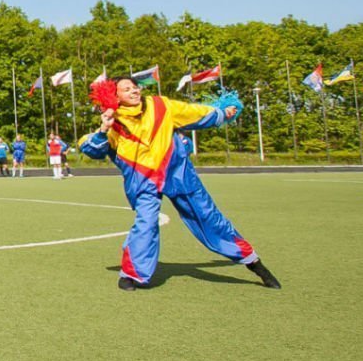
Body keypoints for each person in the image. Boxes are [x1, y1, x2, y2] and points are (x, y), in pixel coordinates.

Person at [78, 76, 279, 292]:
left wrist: (221, 113)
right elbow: (90, 149)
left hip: (179, 175)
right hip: (144, 183)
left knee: (209, 217)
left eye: (135, 87)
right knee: (146, 224)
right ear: (115, 96)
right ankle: (131, 274)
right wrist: (103, 129)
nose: (134, 91)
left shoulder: (160, 106)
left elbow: (193, 112)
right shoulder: (113, 122)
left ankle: (254, 263)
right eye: (126, 89)